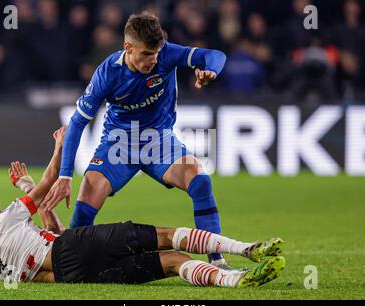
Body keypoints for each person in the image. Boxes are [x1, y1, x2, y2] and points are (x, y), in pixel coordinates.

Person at [0, 127, 286, 286]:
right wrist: (59, 148)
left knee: (172, 263)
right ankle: (248, 250)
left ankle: (237, 281)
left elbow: (51, 240)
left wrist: (46, 212)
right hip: (75, 246)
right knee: (167, 236)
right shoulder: (6, 220)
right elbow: (49, 181)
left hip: (75, 274)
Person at [40, 12, 238, 270]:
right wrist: (65, 176)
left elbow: (215, 56)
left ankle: (217, 261)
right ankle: (72, 264)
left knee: (199, 180)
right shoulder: (107, 73)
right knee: (86, 202)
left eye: (156, 53)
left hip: (159, 141)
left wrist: (210, 70)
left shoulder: (165, 54)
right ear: (128, 48)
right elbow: (77, 122)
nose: (153, 60)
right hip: (118, 144)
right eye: (146, 54)